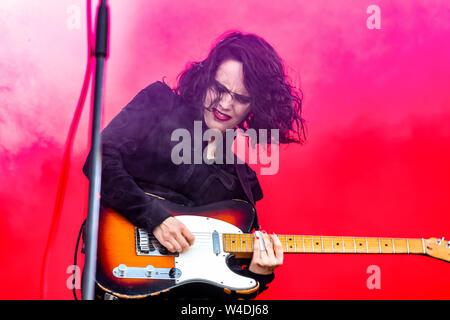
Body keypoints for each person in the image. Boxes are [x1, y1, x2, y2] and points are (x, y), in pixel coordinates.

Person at [82, 30, 305, 300]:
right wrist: (154, 218)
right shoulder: (159, 103)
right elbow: (98, 160)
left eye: (241, 98)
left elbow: (217, 300)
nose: (224, 104)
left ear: (255, 106)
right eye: (219, 89)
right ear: (205, 77)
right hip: (118, 278)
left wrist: (259, 274)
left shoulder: (241, 182)